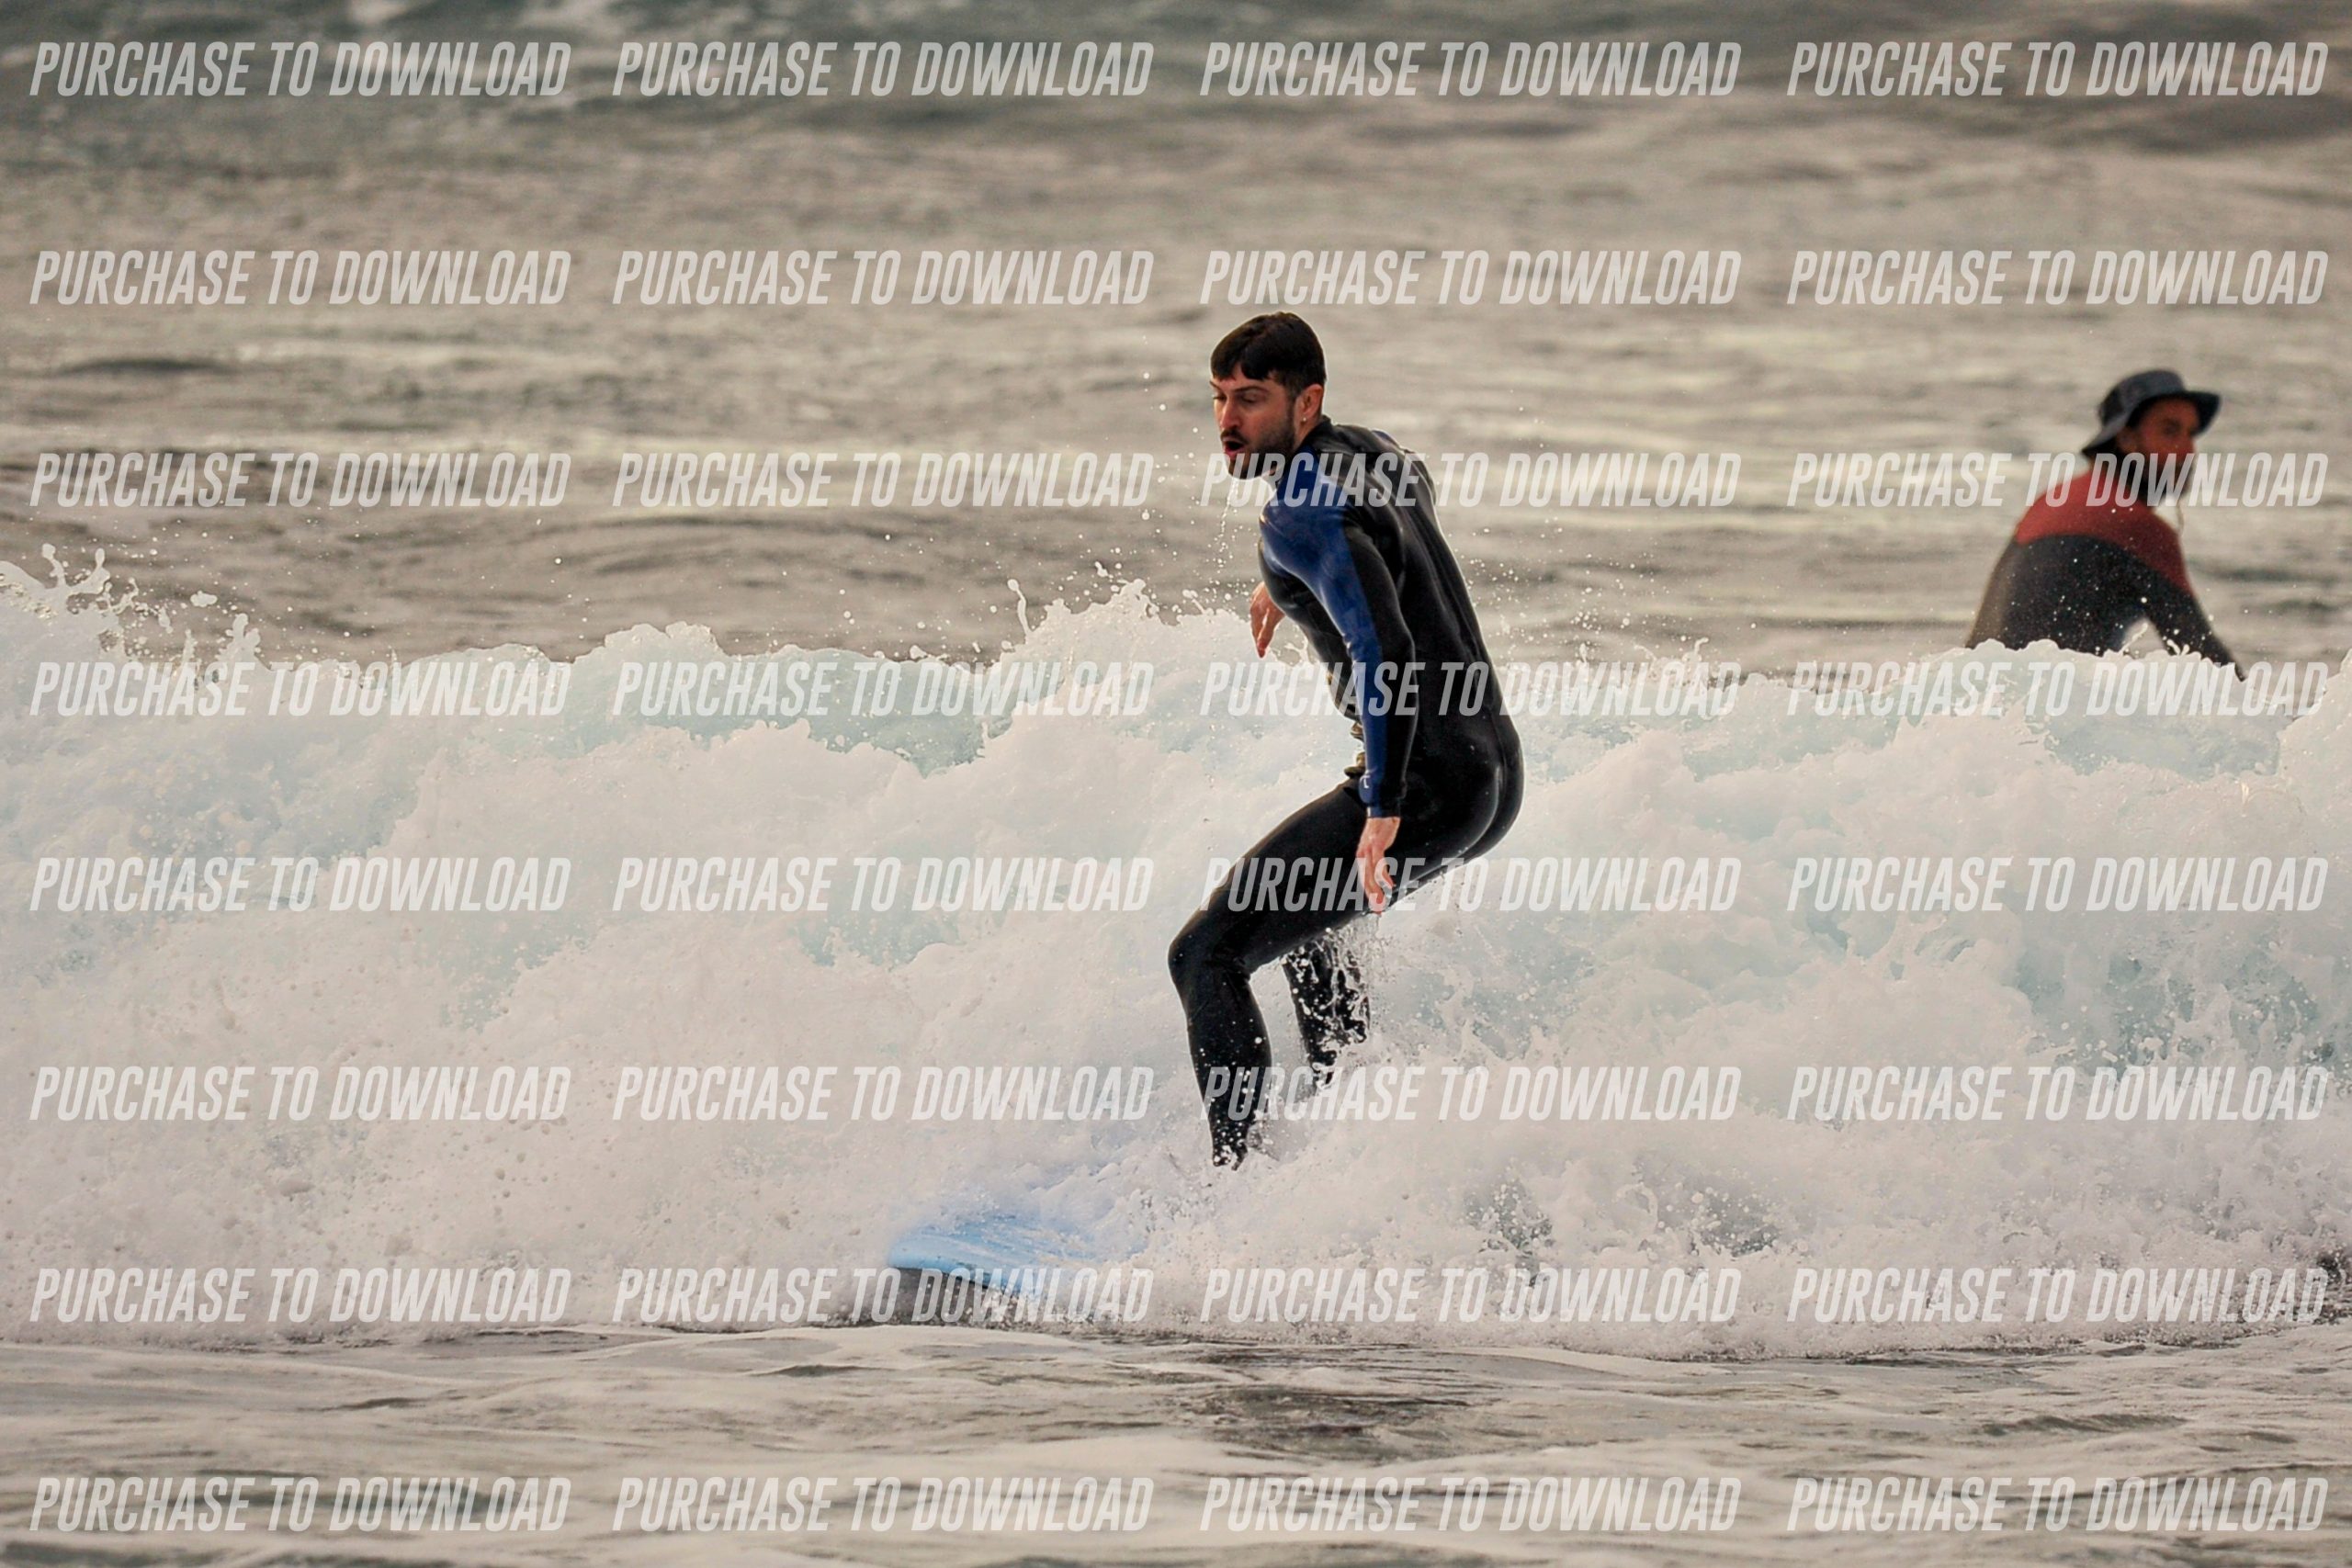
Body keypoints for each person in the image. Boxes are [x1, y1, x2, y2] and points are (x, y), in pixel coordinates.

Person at [1169, 313, 1521, 1167]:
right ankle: (1351, 1148)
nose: (1227, 420)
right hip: (1494, 771)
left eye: (1251, 399)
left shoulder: (1298, 513)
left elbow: (1385, 650)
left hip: (1425, 783)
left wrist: (1383, 804)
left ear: (1306, 401)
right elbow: (1401, 511)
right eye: (1219, 398)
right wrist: (1289, 585)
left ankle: (1233, 1187)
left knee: (1206, 954)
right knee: (1307, 929)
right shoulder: (1376, 451)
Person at [1968, 369, 2234, 665]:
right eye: (2170, 432)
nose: (2187, 450)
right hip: (2050, 690)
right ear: (2127, 439)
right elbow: (2206, 663)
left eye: (2191, 434)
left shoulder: (2052, 501)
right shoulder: (2134, 523)